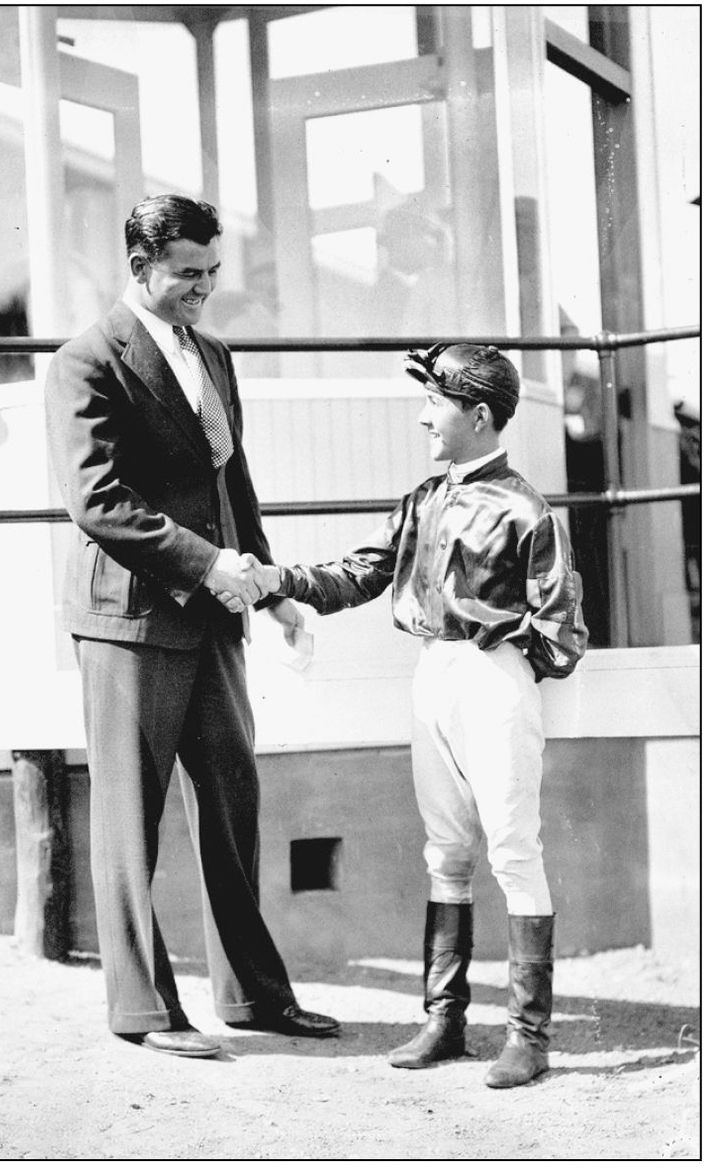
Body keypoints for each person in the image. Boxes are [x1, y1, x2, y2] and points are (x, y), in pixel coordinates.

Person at [237, 344, 587, 1087]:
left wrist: (498, 648)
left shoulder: (527, 509)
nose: (423, 414)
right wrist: (279, 581)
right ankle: (445, 1019)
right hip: (432, 672)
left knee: (513, 851)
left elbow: (563, 631)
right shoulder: (425, 498)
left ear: (480, 414)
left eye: (437, 402)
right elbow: (365, 569)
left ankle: (529, 1036)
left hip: (495, 679)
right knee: (445, 851)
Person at [44, 194, 340, 1058]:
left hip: (214, 614)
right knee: (131, 818)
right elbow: (98, 502)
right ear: (140, 268)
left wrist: (274, 587)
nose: (204, 290)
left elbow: (230, 488)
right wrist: (210, 565)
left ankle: (253, 995)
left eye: (213, 273)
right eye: (188, 275)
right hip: (129, 619)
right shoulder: (86, 361)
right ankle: (143, 1011)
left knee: (232, 800)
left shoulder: (211, 352)